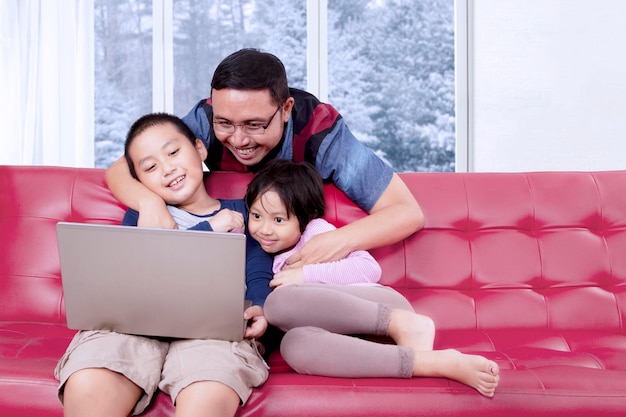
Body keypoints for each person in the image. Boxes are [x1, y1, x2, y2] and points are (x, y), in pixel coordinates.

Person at [104, 48, 424, 273]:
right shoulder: (205, 118)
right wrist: (150, 204)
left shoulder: (320, 130)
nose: (239, 140)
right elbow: (124, 166)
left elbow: (406, 212)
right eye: (225, 123)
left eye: (255, 125)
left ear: (285, 109)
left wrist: (337, 241)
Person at [54, 113, 273, 417]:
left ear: (199, 149)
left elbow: (259, 267)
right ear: (139, 181)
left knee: (209, 388)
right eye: (151, 167)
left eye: (173, 153)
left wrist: (261, 306)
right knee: (90, 378)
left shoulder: (244, 213)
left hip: (214, 332)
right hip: (135, 327)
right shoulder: (142, 217)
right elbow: (138, 279)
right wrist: (210, 229)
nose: (168, 168)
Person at [244, 159, 500, 397]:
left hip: (382, 308)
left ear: (306, 216)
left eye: (278, 219)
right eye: (256, 216)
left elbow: (368, 269)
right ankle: (432, 363)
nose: (264, 229)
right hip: (353, 338)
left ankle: (402, 325)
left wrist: (305, 274)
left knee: (279, 303)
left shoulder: (315, 232)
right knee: (294, 346)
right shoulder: (265, 256)